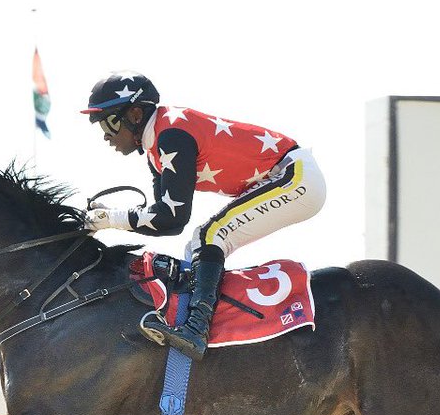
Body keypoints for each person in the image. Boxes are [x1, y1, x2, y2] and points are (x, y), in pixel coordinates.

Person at [81, 72, 326, 360]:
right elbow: (167, 222)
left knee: (212, 236)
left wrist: (111, 219)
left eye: (109, 122)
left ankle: (197, 330)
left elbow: (172, 217)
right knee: (198, 244)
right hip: (289, 175)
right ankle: (192, 324)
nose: (106, 135)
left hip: (294, 176)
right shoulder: (155, 146)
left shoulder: (171, 135)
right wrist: (111, 219)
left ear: (135, 114)